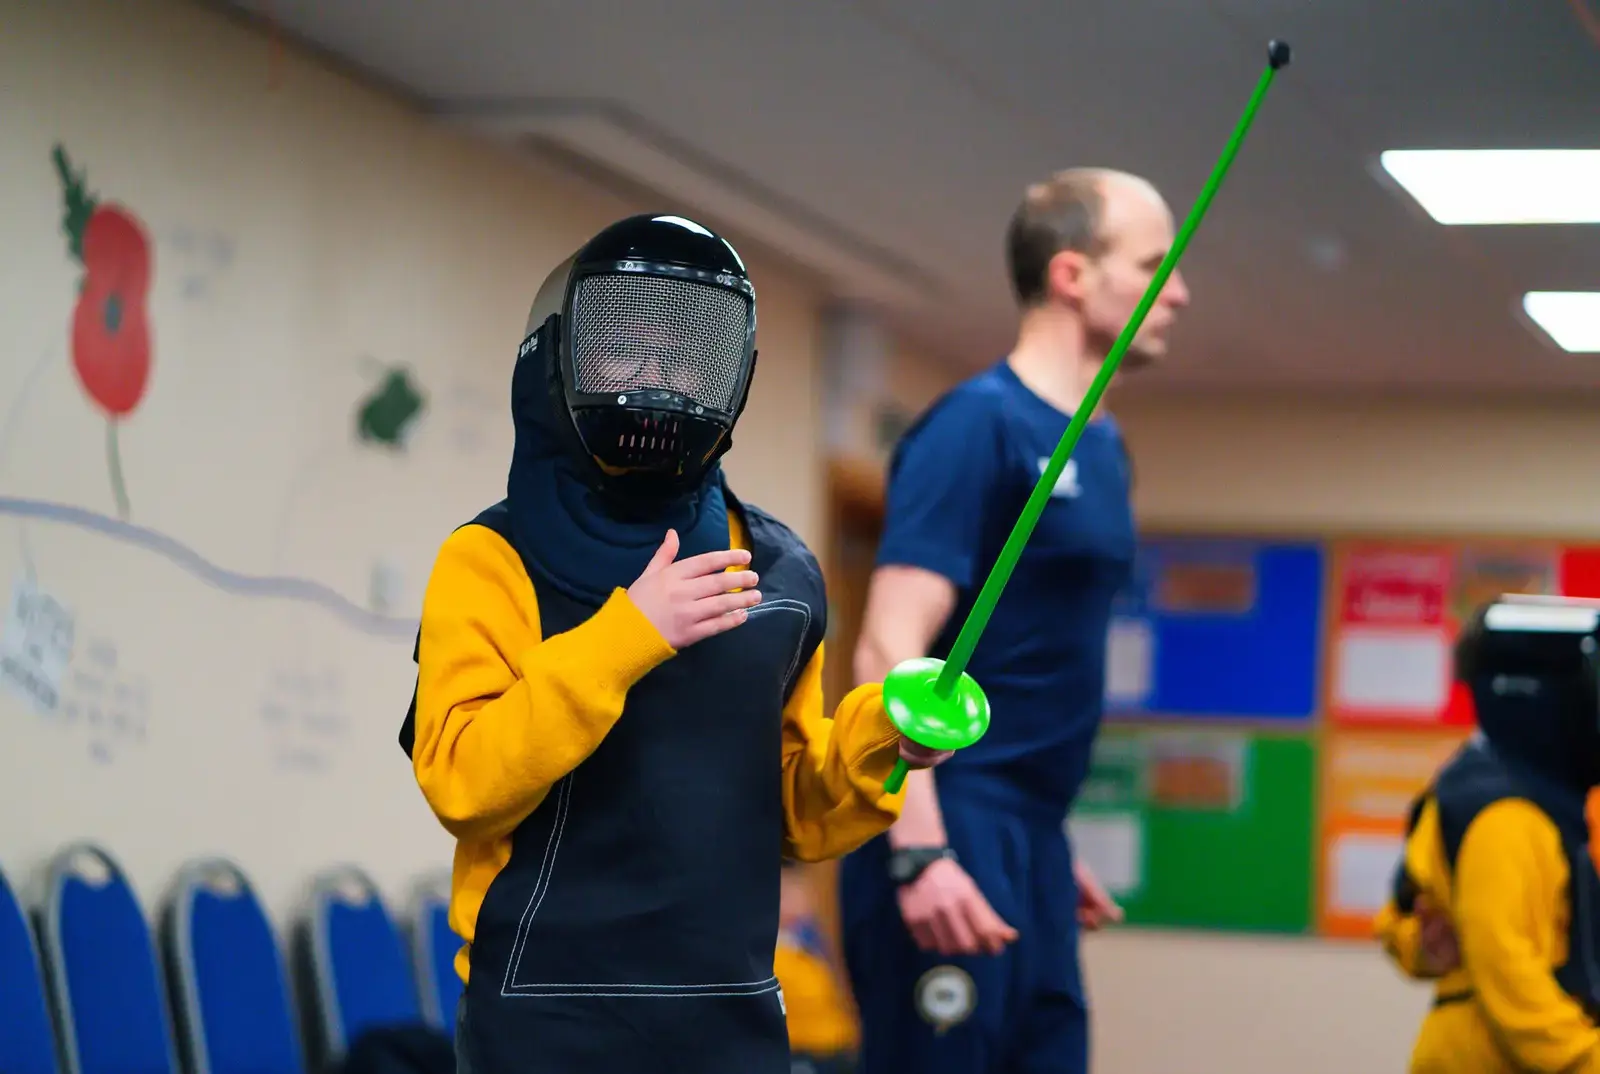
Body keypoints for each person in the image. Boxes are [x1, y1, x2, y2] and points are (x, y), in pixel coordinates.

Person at [396, 213, 951, 1074]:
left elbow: (797, 813)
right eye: (627, 348)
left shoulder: (777, 572)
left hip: (726, 1027)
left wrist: (885, 742)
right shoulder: (490, 561)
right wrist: (628, 636)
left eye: (684, 356)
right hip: (543, 1027)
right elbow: (464, 783)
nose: (657, 380)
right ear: (558, 357)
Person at [838, 168, 1191, 1074]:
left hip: (1032, 831)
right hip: (947, 817)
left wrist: (1036, 840)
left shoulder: (1103, 444)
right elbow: (887, 647)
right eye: (1157, 265)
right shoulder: (977, 427)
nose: (1179, 291)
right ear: (1073, 275)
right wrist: (924, 850)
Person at [1375, 594, 1600, 1074]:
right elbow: (1510, 979)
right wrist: (1588, 1058)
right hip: (1494, 1059)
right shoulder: (1503, 815)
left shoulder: (1542, 802)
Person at [775, 860, 861, 1074]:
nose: (791, 903)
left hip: (832, 1049)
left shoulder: (815, 940)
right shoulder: (770, 951)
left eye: (797, 891)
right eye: (783, 895)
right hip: (791, 1051)